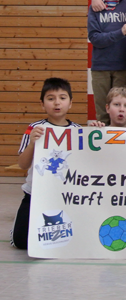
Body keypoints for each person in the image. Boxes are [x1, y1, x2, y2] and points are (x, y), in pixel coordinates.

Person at [10, 78, 81, 249]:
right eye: (51, 98)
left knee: (75, 238)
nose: (57, 102)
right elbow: (22, 164)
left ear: (70, 103)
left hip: (65, 197)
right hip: (34, 196)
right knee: (20, 242)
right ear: (42, 104)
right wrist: (33, 143)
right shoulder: (34, 128)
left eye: (62, 98)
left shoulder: (78, 131)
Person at [87, 0, 126, 124]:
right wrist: (120, 32)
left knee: (122, 114)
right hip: (101, 67)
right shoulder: (95, 7)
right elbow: (95, 39)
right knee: (103, 114)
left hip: (124, 66)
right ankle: (104, 148)